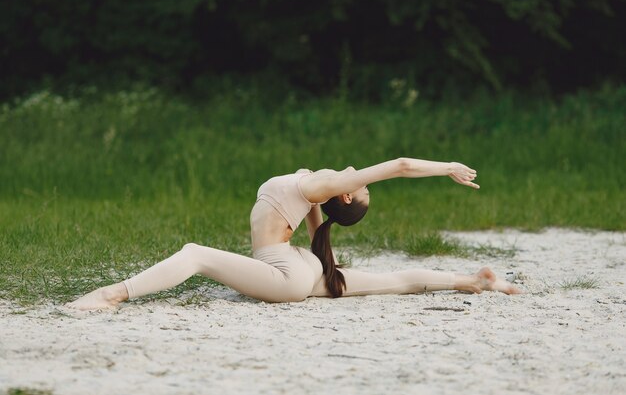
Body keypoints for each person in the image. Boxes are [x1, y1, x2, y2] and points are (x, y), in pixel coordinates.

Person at [67, 157, 520, 310]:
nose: (356, 175)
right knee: (393, 280)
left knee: (194, 253)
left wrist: (448, 169)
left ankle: (111, 295)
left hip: (286, 273)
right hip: (301, 264)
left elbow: (399, 166)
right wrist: (322, 254)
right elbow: (314, 220)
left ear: (345, 196)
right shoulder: (314, 192)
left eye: (357, 184)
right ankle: (476, 282)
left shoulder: (323, 185)